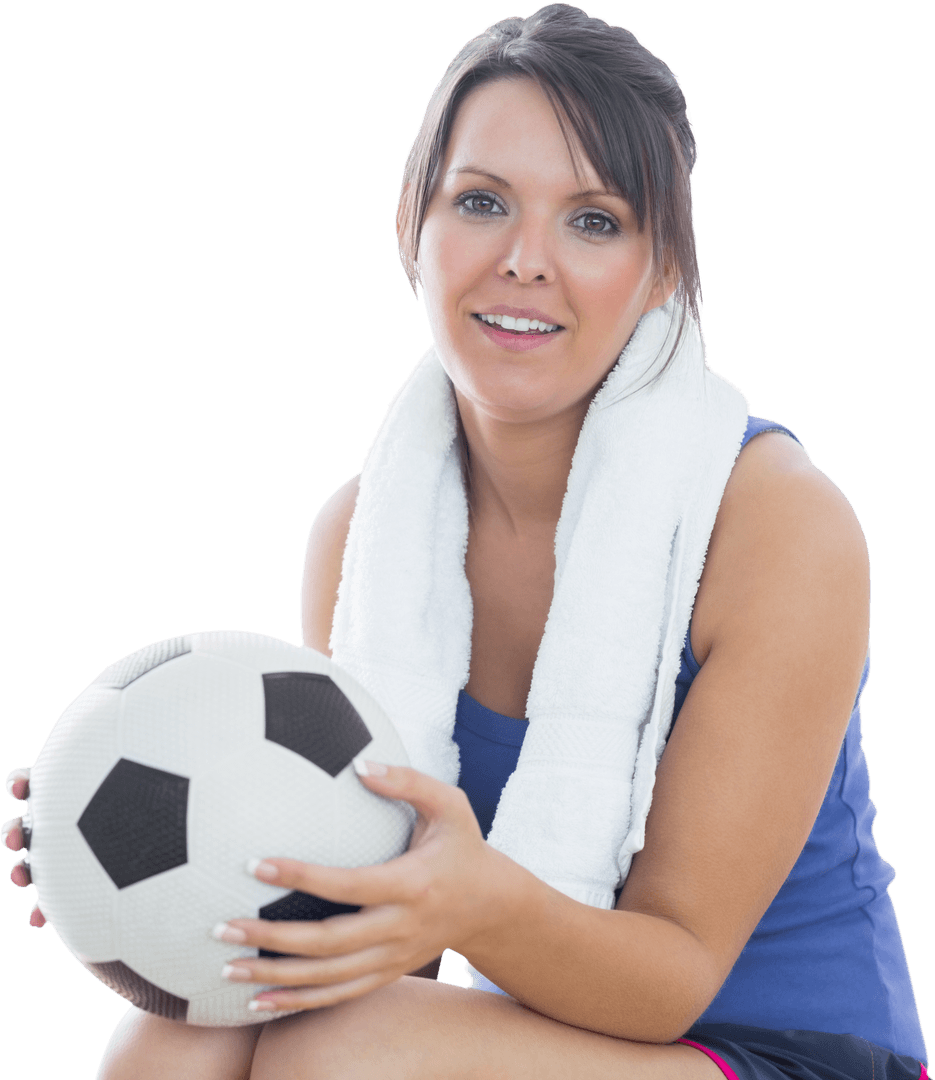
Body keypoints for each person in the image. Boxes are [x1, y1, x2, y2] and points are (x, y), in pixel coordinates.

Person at [3, 5, 928, 1078]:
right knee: (169, 1038)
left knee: (342, 1052)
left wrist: (472, 900)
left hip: (779, 1049)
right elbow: (376, 888)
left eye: (593, 220)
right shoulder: (361, 533)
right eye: (481, 203)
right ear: (412, 226)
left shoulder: (774, 524)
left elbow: (673, 971)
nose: (524, 261)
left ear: (663, 265)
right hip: (546, 1031)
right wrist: (141, 839)